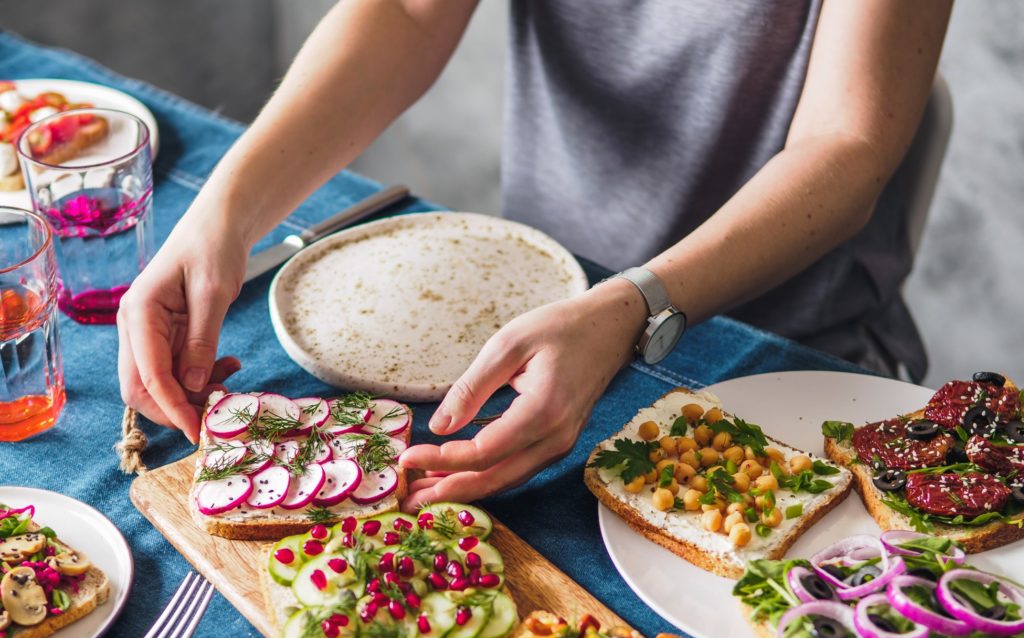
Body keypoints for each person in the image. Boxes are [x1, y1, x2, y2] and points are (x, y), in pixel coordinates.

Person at [116, 0, 952, 510]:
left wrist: (636, 304)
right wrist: (222, 218)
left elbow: (847, 145)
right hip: (535, 332)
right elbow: (408, 11)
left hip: (783, 351)